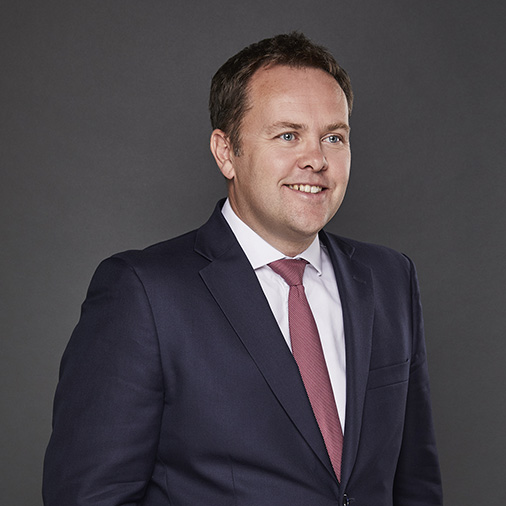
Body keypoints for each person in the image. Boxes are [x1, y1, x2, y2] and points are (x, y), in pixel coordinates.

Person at [43, 32, 443, 506]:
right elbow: (90, 496)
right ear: (226, 152)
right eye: (288, 135)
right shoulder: (143, 293)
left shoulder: (390, 278)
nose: (316, 159)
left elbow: (415, 483)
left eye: (334, 137)